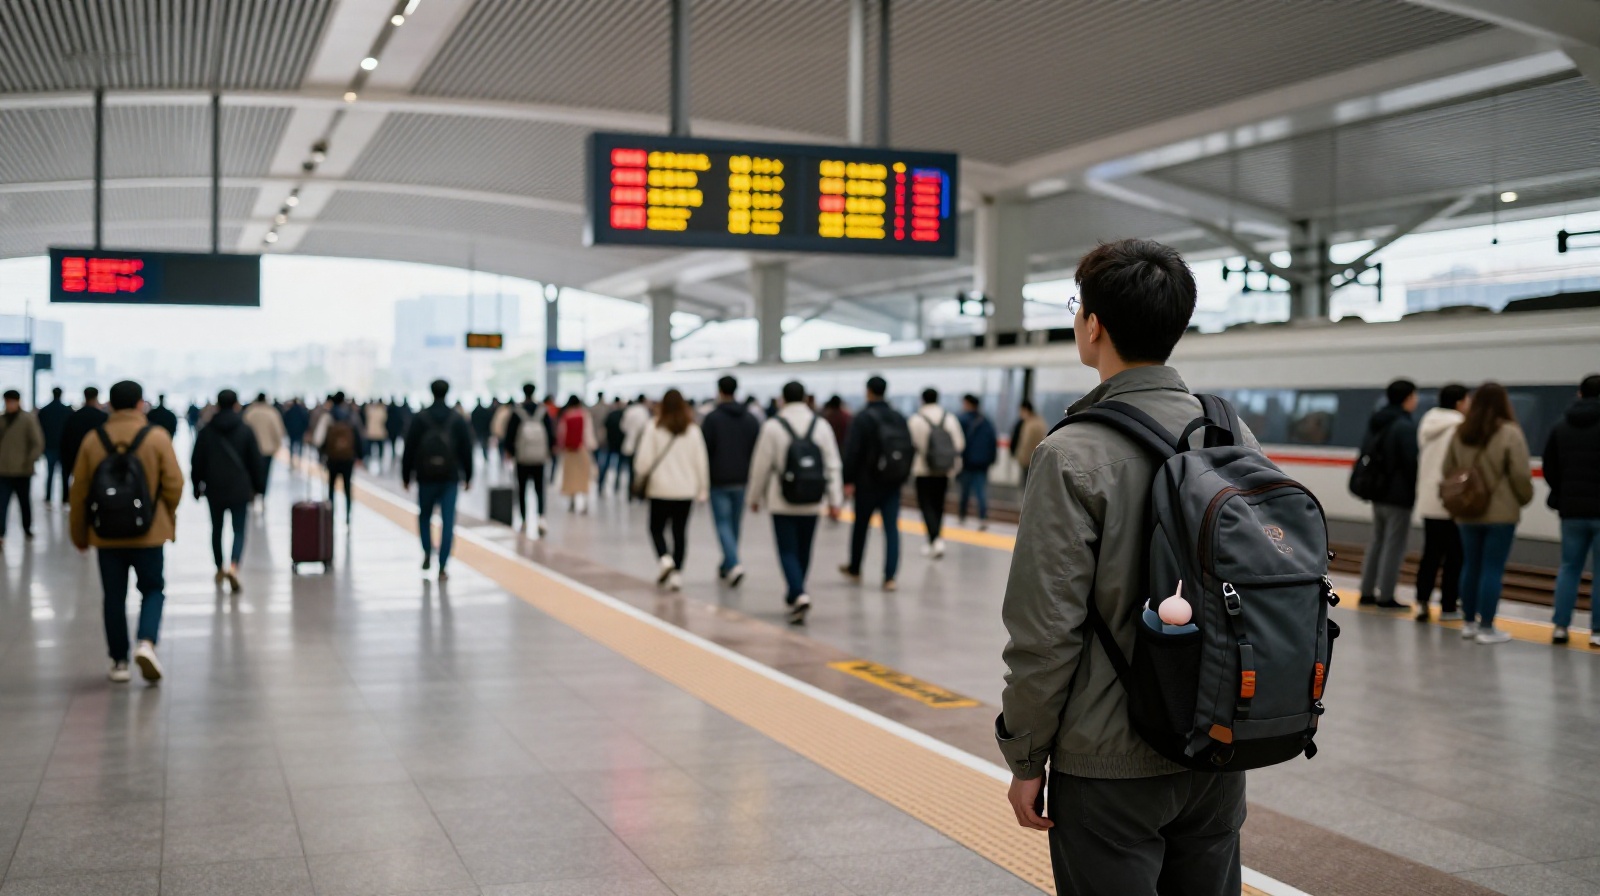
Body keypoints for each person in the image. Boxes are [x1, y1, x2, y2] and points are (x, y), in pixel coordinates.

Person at [998, 239, 1252, 894]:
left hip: (1109, 762)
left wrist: (1026, 757)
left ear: (1094, 325)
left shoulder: (1073, 451)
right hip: (1218, 744)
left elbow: (1045, 631)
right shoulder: (1229, 433)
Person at [69, 380, 184, 684]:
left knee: (113, 597)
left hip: (106, 534)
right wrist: (164, 514)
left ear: (111, 404)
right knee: (152, 589)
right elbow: (174, 483)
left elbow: (79, 491)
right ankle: (146, 642)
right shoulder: (156, 437)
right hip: (148, 534)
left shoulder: (94, 440)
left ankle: (119, 661)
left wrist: (79, 534)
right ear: (139, 404)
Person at [1445, 382, 1535, 645]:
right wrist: (1524, 497)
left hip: (1467, 511)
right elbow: (1520, 474)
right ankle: (1487, 627)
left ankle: (1469, 624)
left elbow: (1448, 470)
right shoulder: (1510, 432)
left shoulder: (1460, 432)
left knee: (1470, 566)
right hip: (1501, 513)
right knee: (1492, 569)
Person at [748, 380, 843, 624]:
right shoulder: (820, 425)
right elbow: (832, 464)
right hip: (812, 499)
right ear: (805, 398)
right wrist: (835, 500)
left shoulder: (773, 426)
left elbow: (761, 466)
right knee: (804, 549)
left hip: (782, 500)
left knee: (787, 549)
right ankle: (795, 591)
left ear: (782, 398)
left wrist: (754, 497)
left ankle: (798, 592)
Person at [632, 389, 710, 592]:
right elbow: (701, 462)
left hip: (660, 489)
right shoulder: (693, 430)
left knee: (655, 528)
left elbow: (643, 461)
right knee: (680, 532)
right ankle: (677, 575)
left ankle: (664, 559)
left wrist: (640, 475)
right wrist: (702, 488)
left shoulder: (654, 427)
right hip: (685, 490)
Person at [1543, 373, 1600, 647]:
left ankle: (1560, 626)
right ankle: (1598, 631)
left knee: (1569, 567)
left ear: (1580, 393)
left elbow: (1550, 468)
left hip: (1572, 510)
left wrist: (1564, 492)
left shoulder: (1561, 426)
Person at [840, 375, 912, 591]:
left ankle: (855, 568)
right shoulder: (899, 417)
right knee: (891, 528)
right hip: (892, 482)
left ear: (868, 391)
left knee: (861, 526)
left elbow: (853, 451)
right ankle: (890, 577)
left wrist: (848, 480)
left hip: (866, 483)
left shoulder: (862, 417)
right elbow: (909, 448)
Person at [1354, 380, 1420, 610]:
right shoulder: (1404, 425)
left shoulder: (1377, 421)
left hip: (1377, 492)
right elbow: (1411, 462)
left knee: (1377, 541)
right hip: (1398, 496)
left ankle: (1366, 592)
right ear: (1407, 398)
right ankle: (1386, 596)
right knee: (1394, 545)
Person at [190, 390, 266, 591]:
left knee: (216, 529)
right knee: (239, 530)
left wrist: (196, 485)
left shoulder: (206, 430)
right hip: (239, 488)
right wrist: (259, 487)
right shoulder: (245, 430)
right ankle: (233, 566)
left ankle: (219, 567)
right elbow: (255, 462)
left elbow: (196, 461)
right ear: (236, 405)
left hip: (214, 488)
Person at [402, 379, 475, 580]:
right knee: (448, 520)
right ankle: (443, 565)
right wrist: (469, 475)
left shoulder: (420, 418)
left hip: (425, 476)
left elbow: (409, 447)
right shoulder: (457, 419)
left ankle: (427, 550)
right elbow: (466, 449)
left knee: (424, 515)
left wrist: (406, 475)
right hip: (450, 476)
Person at [1413, 384, 1469, 622]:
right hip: (1453, 498)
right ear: (1459, 402)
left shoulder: (1427, 423)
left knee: (1431, 554)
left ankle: (1423, 603)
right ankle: (1448, 606)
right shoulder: (1461, 426)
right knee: (1455, 555)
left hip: (1429, 498)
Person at [701, 375, 761, 586]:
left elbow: (705, 451)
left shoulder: (712, 419)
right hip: (742, 479)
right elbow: (757, 451)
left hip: (718, 479)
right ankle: (727, 563)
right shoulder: (751, 419)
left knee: (723, 524)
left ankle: (733, 563)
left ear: (719, 390)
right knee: (734, 524)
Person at [907, 387, 965, 559]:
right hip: (944, 469)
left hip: (922, 469)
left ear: (922, 399)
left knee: (926, 505)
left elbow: (910, 444)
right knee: (939, 504)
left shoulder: (916, 419)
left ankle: (934, 539)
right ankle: (936, 538)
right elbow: (959, 444)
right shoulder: (949, 418)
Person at [506, 383, 554, 534]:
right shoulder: (542, 411)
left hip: (522, 458)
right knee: (540, 488)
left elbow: (510, 434)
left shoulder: (517, 412)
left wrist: (510, 452)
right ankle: (541, 518)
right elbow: (550, 433)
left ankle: (524, 519)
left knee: (522, 488)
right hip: (539, 457)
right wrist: (549, 450)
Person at [312, 392, 364, 523]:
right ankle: (347, 515)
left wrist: (321, 454)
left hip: (332, 458)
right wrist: (360, 455)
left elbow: (319, 439)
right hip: (348, 458)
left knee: (331, 487)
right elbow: (359, 436)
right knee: (347, 487)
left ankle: (331, 514)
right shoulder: (351, 415)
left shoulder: (328, 416)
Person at [0, 391, 44, 543]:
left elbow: (37, 442)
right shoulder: (2, 419)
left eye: (12, 401)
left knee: (24, 501)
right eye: (7, 402)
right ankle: (1, 533)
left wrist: (30, 460)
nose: (9, 405)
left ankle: (27, 527)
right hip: (3, 470)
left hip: (22, 470)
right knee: (2, 502)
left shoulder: (27, 419)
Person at [957, 394, 998, 530]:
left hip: (967, 462)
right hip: (982, 463)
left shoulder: (962, 420)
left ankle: (962, 517)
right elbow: (993, 442)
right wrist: (991, 459)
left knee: (965, 491)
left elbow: (958, 442)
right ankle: (982, 518)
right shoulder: (986, 421)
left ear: (968, 404)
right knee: (981, 491)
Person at [59, 386, 109, 492]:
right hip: (98, 457)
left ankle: (66, 496)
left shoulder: (74, 417)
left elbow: (66, 439)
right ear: (96, 397)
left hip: (75, 456)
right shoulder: (103, 417)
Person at [242, 392, 286, 501]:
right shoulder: (271, 412)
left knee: (252, 473)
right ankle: (262, 495)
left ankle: (253, 493)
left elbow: (243, 429)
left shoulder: (250, 412)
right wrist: (277, 446)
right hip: (268, 449)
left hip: (251, 449)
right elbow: (278, 431)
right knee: (265, 474)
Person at [555, 396, 596, 512]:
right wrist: (591, 447)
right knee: (584, 477)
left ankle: (572, 502)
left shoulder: (566, 415)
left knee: (570, 477)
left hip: (569, 451)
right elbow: (588, 432)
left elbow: (561, 433)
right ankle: (585, 503)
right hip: (582, 449)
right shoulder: (584, 415)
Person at [37, 387, 71, 505]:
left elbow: (39, 429)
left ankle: (48, 496)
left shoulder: (45, 410)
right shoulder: (67, 410)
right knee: (64, 474)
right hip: (63, 446)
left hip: (49, 445)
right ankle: (65, 497)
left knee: (50, 472)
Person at [620, 395, 652, 500]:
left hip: (630, 444)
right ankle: (639, 494)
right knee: (639, 471)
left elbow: (623, 427)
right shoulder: (644, 412)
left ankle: (630, 493)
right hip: (640, 445)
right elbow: (646, 429)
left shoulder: (629, 410)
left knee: (630, 471)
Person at [1013, 400, 1046, 487]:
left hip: (1028, 461)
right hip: (1038, 461)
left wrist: (1020, 458)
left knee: (1025, 487)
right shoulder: (1040, 422)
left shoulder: (1029, 425)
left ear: (1026, 410)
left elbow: (1025, 445)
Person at [602, 400, 628, 494]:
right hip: (620, 444)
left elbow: (605, 426)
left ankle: (601, 485)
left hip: (610, 443)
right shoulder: (623, 415)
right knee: (619, 466)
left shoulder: (610, 414)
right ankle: (616, 486)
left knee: (606, 465)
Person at [282, 397, 311, 464]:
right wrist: (304, 429)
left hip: (292, 430)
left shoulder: (289, 411)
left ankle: (291, 458)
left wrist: (288, 428)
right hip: (300, 430)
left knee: (292, 444)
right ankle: (299, 459)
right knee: (300, 445)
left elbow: (285, 420)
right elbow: (306, 421)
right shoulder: (302, 411)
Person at [364, 399, 389, 468]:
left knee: (370, 449)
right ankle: (379, 460)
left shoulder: (371, 410)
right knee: (379, 449)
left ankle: (368, 460)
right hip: (379, 432)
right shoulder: (382, 411)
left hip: (371, 432)